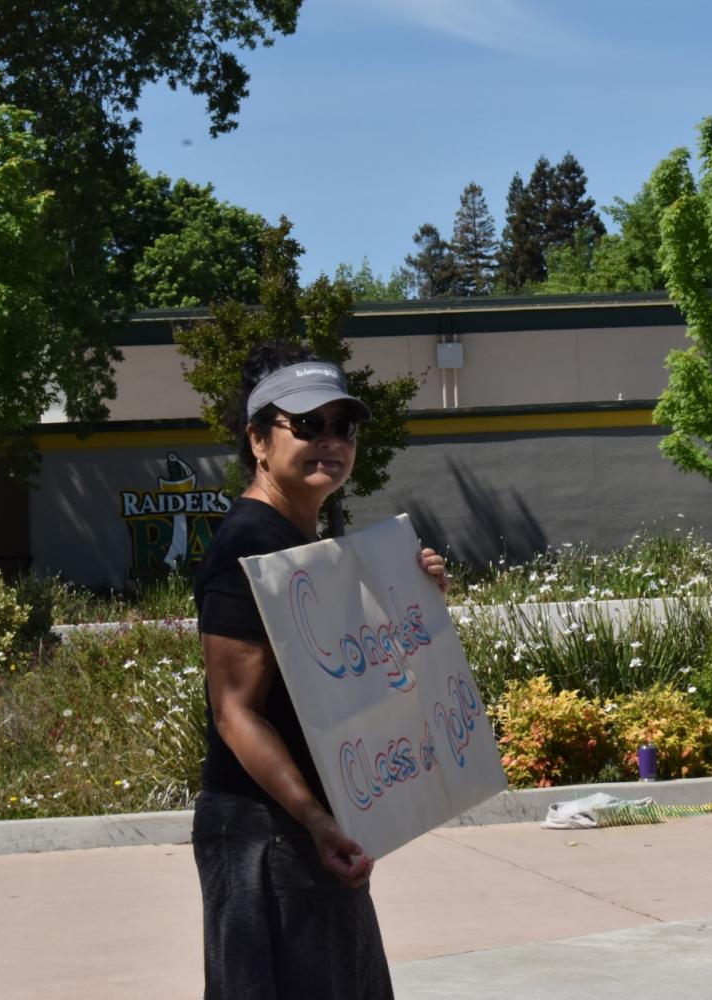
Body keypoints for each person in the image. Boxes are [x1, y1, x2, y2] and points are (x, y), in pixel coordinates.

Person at [192, 342, 448, 999]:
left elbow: (353, 679)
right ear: (257, 438)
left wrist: (415, 606)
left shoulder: (307, 546)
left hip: (311, 830)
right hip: (266, 832)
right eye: (306, 425)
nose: (328, 440)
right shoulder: (248, 544)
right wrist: (311, 817)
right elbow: (234, 711)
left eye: (343, 426)